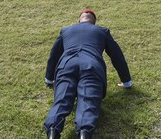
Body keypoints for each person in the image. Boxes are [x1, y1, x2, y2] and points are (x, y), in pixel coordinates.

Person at [43, 9, 132, 139]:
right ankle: (84, 133)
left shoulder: (66, 30)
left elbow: (54, 56)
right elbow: (117, 56)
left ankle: (52, 131)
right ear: (94, 22)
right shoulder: (102, 31)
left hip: (67, 66)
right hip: (91, 66)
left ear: (79, 20)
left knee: (61, 100)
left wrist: (49, 78)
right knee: (88, 101)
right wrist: (126, 81)